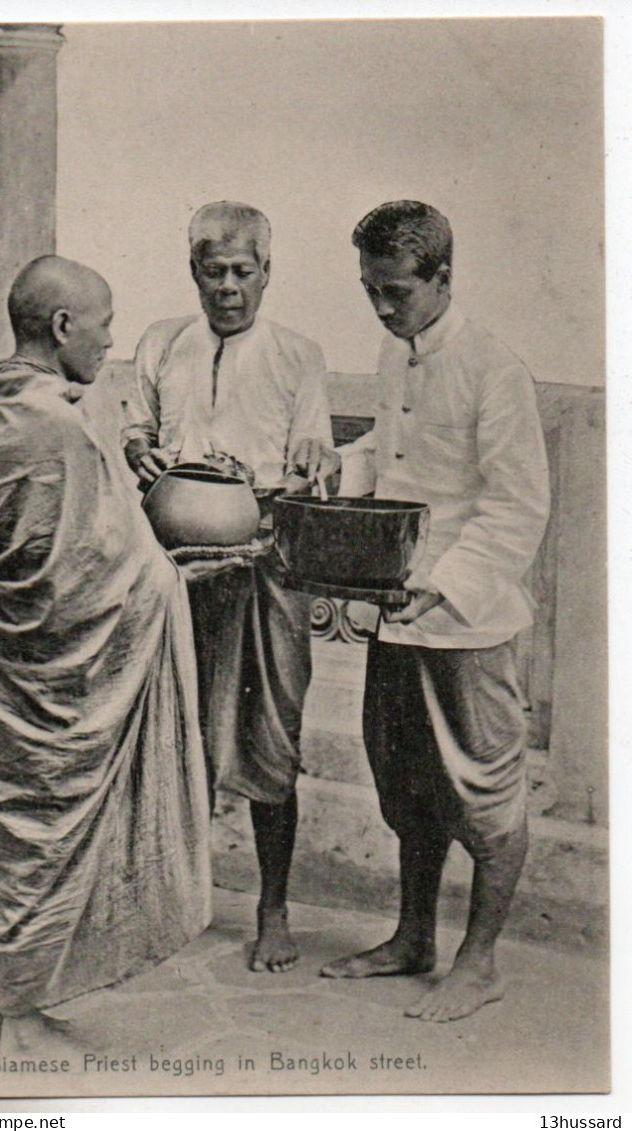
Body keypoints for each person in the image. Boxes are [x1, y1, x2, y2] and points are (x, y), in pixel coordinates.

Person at [0, 255, 240, 1049]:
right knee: (49, 834)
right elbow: (90, 577)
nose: (110, 342)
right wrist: (175, 578)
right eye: (104, 326)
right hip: (54, 671)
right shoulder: (61, 428)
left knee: (9, 834)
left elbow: (33, 552)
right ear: (64, 326)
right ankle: (18, 1015)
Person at [319, 201, 551, 1022]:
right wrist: (334, 468)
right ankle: (412, 936)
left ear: (444, 278)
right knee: (407, 787)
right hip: (397, 614)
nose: (381, 308)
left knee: (485, 796)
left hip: (470, 625)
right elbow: (390, 459)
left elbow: (519, 509)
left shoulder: (494, 369)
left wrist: (446, 582)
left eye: (396, 292)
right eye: (370, 291)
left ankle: (478, 961)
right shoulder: (396, 352)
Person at [121, 202, 335, 972]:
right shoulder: (160, 344)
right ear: (194, 273)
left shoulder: (297, 355)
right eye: (214, 272)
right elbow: (138, 432)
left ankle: (272, 909)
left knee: (269, 738)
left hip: (261, 567)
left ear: (267, 273)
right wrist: (140, 449)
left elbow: (312, 442)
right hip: (172, 567)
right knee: (160, 730)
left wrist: (309, 455)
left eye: (244, 272)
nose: (228, 288)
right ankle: (159, 899)